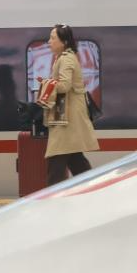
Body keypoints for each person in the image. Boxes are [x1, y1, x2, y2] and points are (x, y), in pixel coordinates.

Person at [43, 24, 99, 185]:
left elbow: (65, 85)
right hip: (68, 117)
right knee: (75, 160)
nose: (49, 41)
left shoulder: (66, 59)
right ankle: (94, 188)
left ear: (64, 41)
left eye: (53, 38)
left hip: (66, 119)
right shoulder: (66, 57)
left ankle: (52, 196)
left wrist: (46, 85)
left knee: (56, 160)